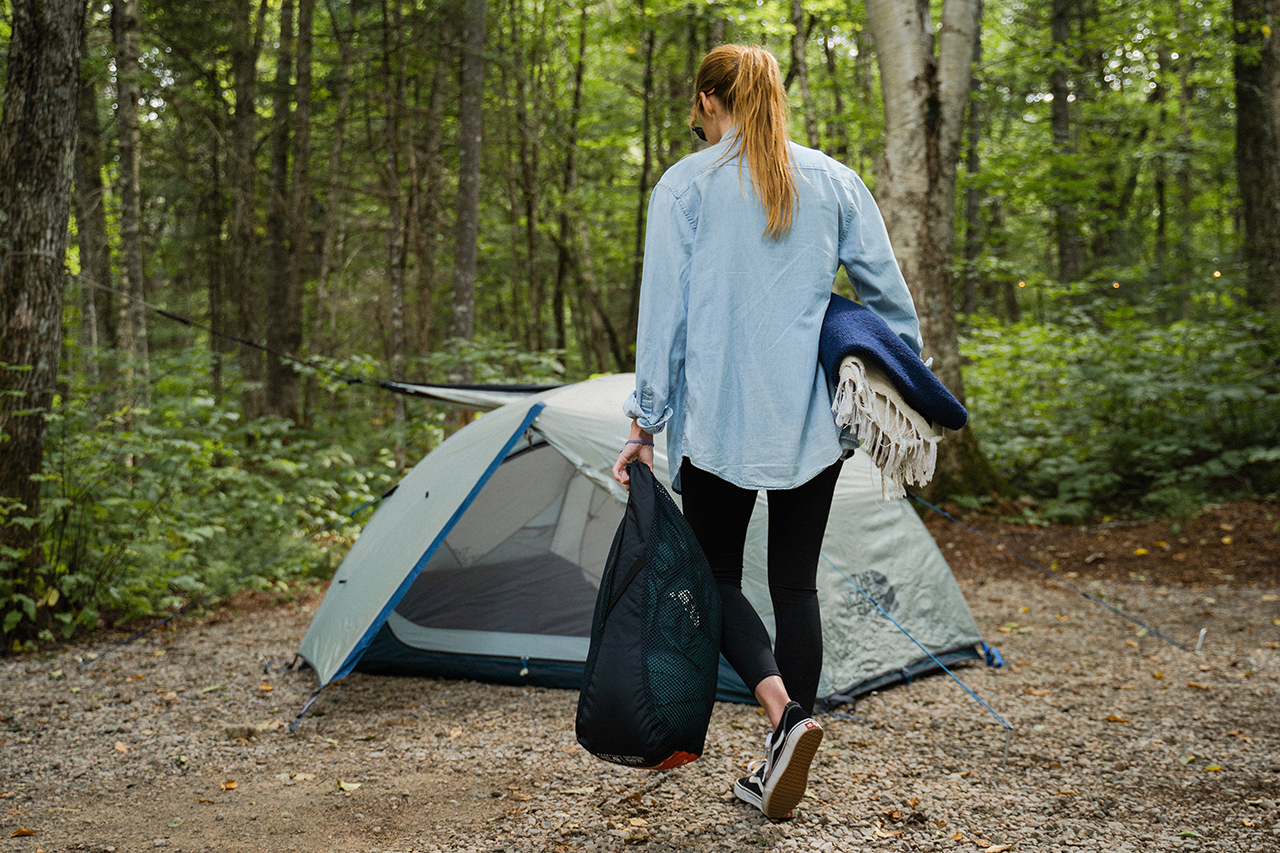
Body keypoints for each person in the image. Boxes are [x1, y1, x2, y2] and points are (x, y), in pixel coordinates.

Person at [611, 44, 923, 820]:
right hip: (811, 420)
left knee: (717, 576)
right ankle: (787, 745)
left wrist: (644, 421)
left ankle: (784, 715)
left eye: (697, 107)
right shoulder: (833, 180)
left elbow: (665, 317)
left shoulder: (685, 186)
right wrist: (884, 367)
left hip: (717, 417)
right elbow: (890, 299)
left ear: (712, 101)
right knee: (794, 585)